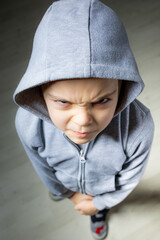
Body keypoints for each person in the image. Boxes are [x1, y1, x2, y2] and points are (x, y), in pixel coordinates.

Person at [13, 0, 154, 239]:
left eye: (101, 101)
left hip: (103, 191)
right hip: (63, 179)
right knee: (58, 184)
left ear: (122, 87)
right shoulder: (28, 124)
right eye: (62, 102)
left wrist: (99, 203)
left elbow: (130, 178)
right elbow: (41, 166)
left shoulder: (139, 128)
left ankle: (99, 214)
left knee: (96, 207)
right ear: (39, 94)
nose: (82, 121)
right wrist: (67, 193)